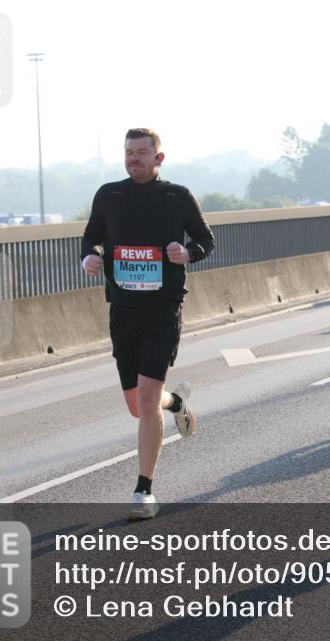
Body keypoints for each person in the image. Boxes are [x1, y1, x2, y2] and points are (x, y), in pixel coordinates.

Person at [81, 128, 215, 521]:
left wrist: (186, 252)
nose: (133, 159)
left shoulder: (177, 197)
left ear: (159, 159)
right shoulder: (110, 195)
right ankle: (176, 403)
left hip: (163, 308)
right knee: (138, 407)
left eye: (142, 153)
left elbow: (207, 240)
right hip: (123, 310)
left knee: (144, 397)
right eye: (129, 153)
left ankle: (144, 491)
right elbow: (90, 239)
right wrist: (89, 257)